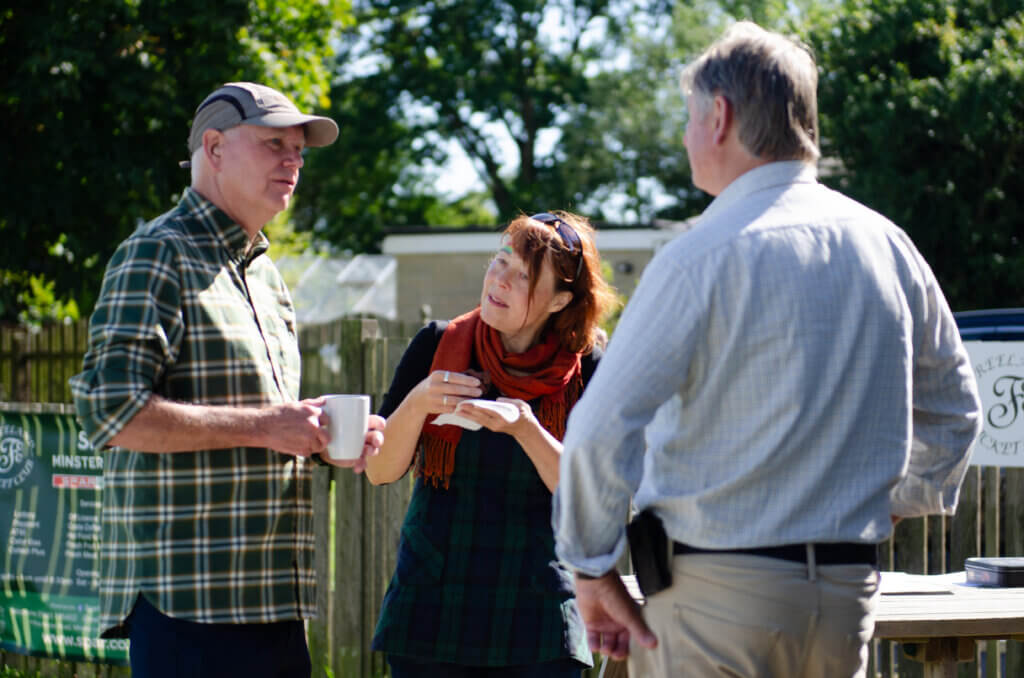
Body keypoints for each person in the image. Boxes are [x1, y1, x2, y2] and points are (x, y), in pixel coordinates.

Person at [552, 22, 983, 678]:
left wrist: (589, 567)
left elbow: (599, 429)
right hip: (845, 600)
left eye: (690, 117)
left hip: (714, 601)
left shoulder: (700, 256)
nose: (688, 135)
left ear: (719, 116)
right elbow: (955, 412)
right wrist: (877, 504)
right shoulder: (887, 244)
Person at [69, 82, 385, 678]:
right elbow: (112, 414)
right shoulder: (155, 253)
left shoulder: (266, 277)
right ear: (212, 148)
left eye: (299, 150)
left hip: (273, 601)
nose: (293, 161)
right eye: (273, 145)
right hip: (189, 608)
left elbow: (258, 427)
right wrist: (270, 426)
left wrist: (316, 437)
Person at [367, 211, 618, 677]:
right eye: (499, 262)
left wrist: (527, 429)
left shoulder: (587, 369)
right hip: (431, 601)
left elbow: (594, 496)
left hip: (538, 614)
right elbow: (379, 470)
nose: (499, 280)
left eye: (523, 274)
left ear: (561, 299)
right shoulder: (437, 345)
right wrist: (421, 400)